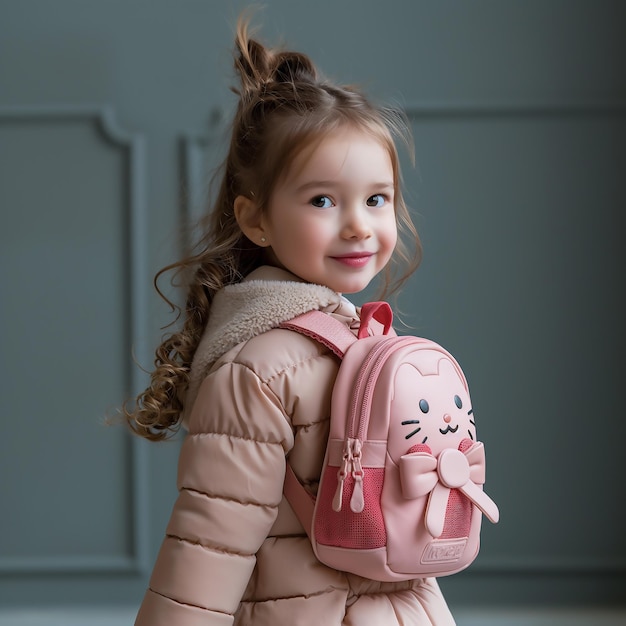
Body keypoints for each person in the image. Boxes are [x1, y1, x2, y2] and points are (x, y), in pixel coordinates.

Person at [125, 15, 456, 626]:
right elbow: (208, 549)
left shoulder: (361, 341)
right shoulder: (256, 372)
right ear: (256, 220)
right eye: (323, 200)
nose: (358, 224)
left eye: (376, 199)